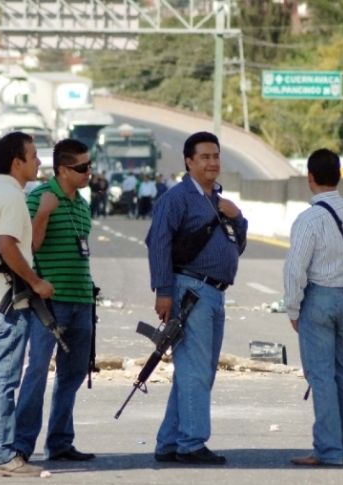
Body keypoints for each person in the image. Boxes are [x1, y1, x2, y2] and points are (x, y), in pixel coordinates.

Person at [145, 131, 248, 465]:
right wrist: (163, 291)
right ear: (188, 161)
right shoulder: (177, 199)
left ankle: (170, 442)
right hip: (189, 290)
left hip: (214, 293)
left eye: (216, 156)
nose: (212, 162)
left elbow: (238, 245)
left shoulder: (218, 199)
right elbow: (158, 242)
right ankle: (191, 444)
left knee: (196, 370)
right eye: (204, 157)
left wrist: (238, 217)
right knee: (195, 372)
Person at [0, 131, 53, 477]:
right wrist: (34, 281)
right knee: (2, 379)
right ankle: (1, 455)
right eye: (33, 156)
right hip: (7, 303)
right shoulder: (12, 196)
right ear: (16, 162)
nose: (38, 162)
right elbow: (7, 244)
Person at [283, 148, 343, 466]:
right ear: (339, 176)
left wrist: (293, 309)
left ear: (310, 178)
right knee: (342, 374)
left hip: (319, 299)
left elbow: (295, 269)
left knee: (320, 377)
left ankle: (328, 450)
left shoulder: (309, 219)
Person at [14, 139, 96, 463]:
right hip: (51, 303)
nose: (88, 172)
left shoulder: (82, 204)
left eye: (89, 165)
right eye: (81, 168)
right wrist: (44, 214)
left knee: (72, 375)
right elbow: (30, 246)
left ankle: (60, 441)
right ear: (61, 169)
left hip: (81, 299)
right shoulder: (39, 199)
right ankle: (21, 446)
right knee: (36, 372)